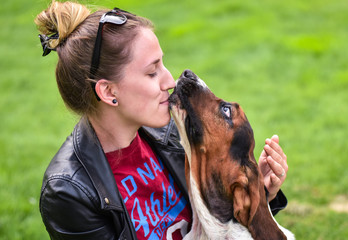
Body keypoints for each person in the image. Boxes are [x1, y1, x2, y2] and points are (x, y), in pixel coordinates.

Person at [35, 1, 290, 239]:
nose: (169, 81)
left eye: (163, 64)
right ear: (109, 92)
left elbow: (215, 218)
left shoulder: (170, 129)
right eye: (152, 72)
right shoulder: (69, 193)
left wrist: (260, 194)